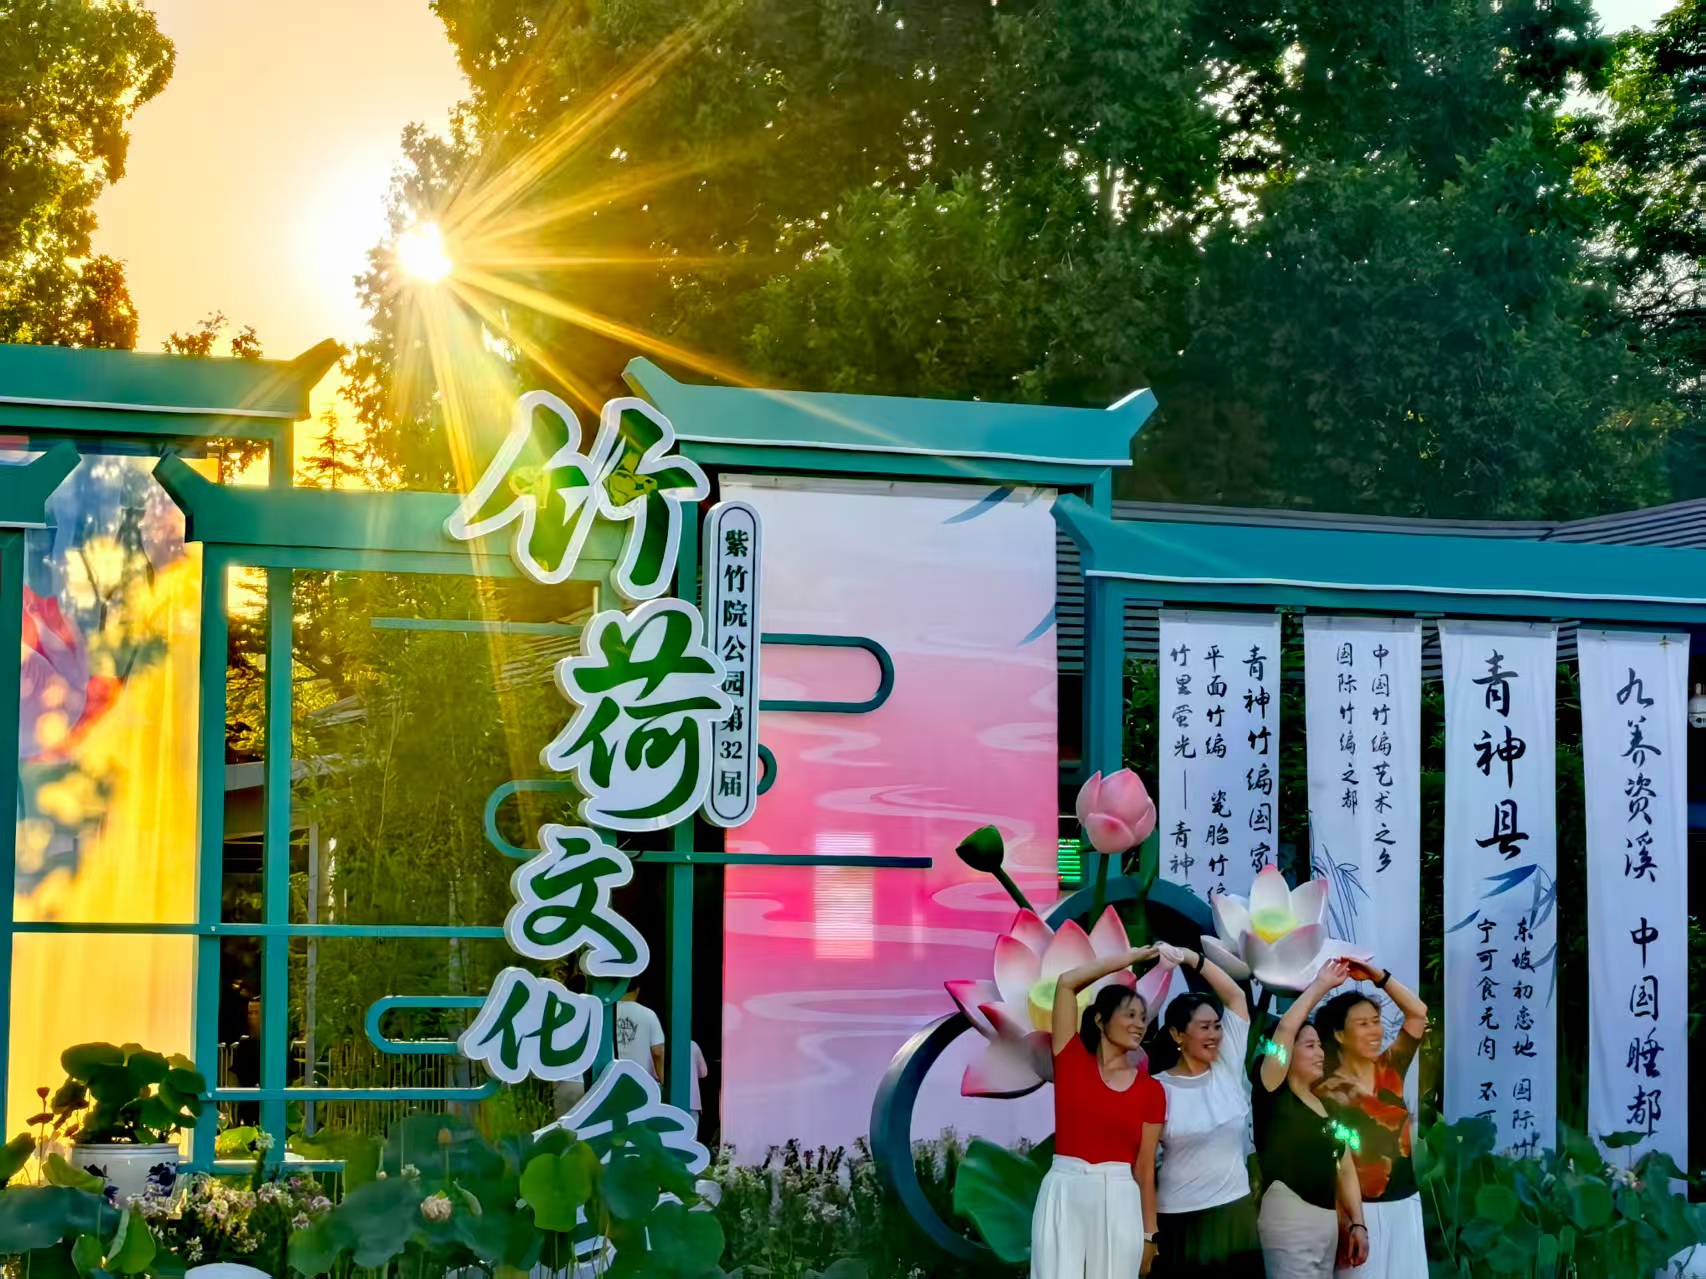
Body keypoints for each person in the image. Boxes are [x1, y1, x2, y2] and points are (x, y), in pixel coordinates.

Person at [1031, 942, 1168, 1279]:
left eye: (1144, 1018)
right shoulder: (1070, 1059)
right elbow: (1066, 983)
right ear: (1100, 1019)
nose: (1139, 1024)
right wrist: (1131, 958)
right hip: (1063, 1189)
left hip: (1119, 1197)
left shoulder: (1151, 1091)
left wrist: (1150, 1235)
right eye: (1130, 1015)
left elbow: (1144, 1169)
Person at [1150, 941, 1263, 1278]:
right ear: (1177, 1034)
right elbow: (1143, 1163)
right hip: (1181, 1219)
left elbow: (1236, 997)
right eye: (1204, 1027)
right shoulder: (1156, 1088)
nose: (1214, 1034)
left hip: (1235, 1211)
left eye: (1217, 1025)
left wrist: (1190, 958)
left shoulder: (1226, 1065)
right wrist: (1147, 1231)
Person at [1251, 960, 1369, 1278]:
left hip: (1326, 1224)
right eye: (1310, 1046)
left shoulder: (1328, 1106)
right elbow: (1285, 1030)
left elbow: (1345, 1166)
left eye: (1320, 1046)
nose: (1320, 1053)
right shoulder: (1272, 1092)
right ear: (1287, 1053)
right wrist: (1321, 984)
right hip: (1289, 1219)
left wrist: (1357, 1223)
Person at [1314, 962, 1429, 1279]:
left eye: (1376, 1022)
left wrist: (1379, 977)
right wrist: (1350, 1222)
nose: (1375, 1031)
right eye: (1363, 1023)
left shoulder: (1390, 1068)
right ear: (1339, 1035)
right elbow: (1335, 1165)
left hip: (1406, 1202)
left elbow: (1418, 1014)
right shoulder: (1325, 1093)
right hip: (1360, 1215)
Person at [615, 988, 666, 1081]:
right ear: (637, 990)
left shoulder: (606, 1014)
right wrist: (663, 1080)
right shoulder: (648, 1015)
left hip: (611, 1079)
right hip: (642, 1081)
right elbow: (658, 1051)